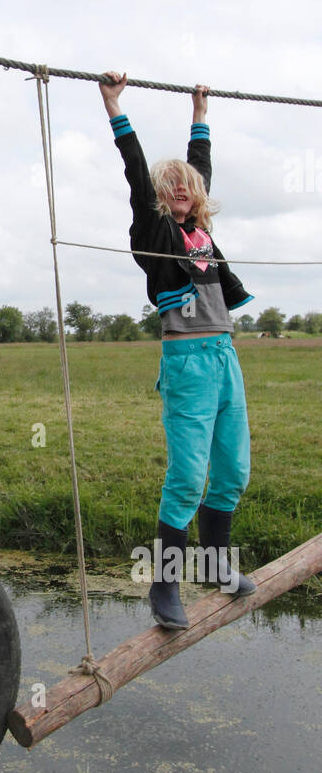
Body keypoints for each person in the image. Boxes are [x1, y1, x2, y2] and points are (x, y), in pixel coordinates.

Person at [98, 70, 257, 629]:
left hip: (225, 357)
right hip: (187, 361)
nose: (182, 188)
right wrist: (115, 106)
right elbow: (138, 178)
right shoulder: (157, 236)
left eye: (187, 184)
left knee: (234, 469)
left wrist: (201, 112)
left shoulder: (203, 235)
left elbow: (200, 167)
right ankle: (164, 587)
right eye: (172, 185)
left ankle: (216, 566)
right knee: (188, 476)